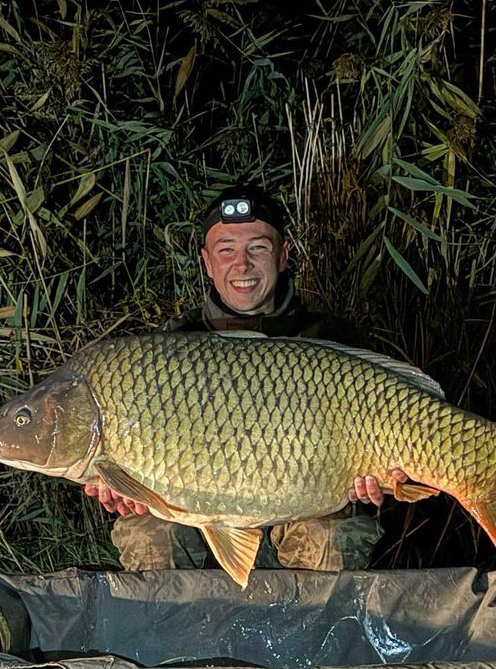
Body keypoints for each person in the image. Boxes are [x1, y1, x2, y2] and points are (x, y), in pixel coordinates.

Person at [83, 185, 406, 572]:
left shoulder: (329, 339)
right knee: (148, 532)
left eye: (258, 248)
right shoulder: (171, 345)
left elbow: (378, 447)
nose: (242, 265)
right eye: (226, 250)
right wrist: (125, 490)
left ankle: (311, 632)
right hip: (198, 515)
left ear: (283, 255)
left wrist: (375, 482)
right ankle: (180, 631)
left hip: (304, 507)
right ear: (206, 262)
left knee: (330, 538)